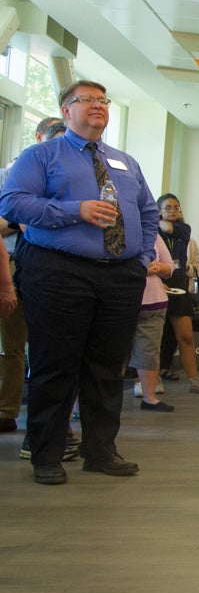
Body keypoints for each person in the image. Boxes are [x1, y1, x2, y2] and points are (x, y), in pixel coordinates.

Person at [0, 81, 160, 484]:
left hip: (120, 276)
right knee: (56, 365)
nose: (98, 106)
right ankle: (47, 454)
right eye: (86, 100)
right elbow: (12, 202)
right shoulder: (40, 155)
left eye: (103, 101)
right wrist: (76, 210)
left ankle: (100, 451)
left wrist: (139, 260)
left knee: (108, 367)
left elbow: (148, 212)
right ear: (65, 109)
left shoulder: (125, 162)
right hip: (59, 270)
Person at [0, 115, 60, 437]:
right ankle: (7, 410)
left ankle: (20, 415)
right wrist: (21, 217)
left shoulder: (59, 181)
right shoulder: (10, 175)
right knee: (10, 344)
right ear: (39, 137)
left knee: (31, 346)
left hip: (40, 268)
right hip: (8, 263)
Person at [155, 194, 199, 395]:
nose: (173, 210)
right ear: (159, 210)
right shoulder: (150, 231)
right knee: (154, 337)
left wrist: (158, 219)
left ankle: (194, 380)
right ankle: (151, 380)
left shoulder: (183, 229)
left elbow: (167, 228)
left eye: (176, 207)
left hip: (179, 285)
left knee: (186, 336)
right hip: (156, 284)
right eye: (168, 207)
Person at [130, 235, 176, 413]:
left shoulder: (153, 235)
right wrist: (141, 269)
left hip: (153, 302)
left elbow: (170, 267)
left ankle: (149, 397)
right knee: (112, 352)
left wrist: (156, 267)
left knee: (149, 350)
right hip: (118, 300)